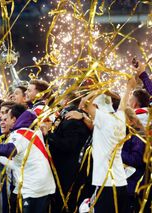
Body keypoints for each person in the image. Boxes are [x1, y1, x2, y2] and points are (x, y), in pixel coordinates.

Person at [0, 104, 56, 213]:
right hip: (40, 186)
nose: (3, 121)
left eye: (7, 118)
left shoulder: (21, 133)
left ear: (14, 119)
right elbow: (17, 164)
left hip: (33, 188)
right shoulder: (32, 131)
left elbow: (8, 150)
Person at [79, 77, 136, 212]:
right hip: (121, 182)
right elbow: (123, 103)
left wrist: (99, 89)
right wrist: (128, 88)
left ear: (97, 107)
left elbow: (84, 103)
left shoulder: (103, 119)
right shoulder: (120, 117)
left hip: (106, 183)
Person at [45, 92, 91, 212]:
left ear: (66, 100)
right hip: (68, 168)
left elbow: (68, 145)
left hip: (67, 170)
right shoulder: (70, 116)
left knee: (63, 203)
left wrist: (49, 135)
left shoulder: (73, 119)